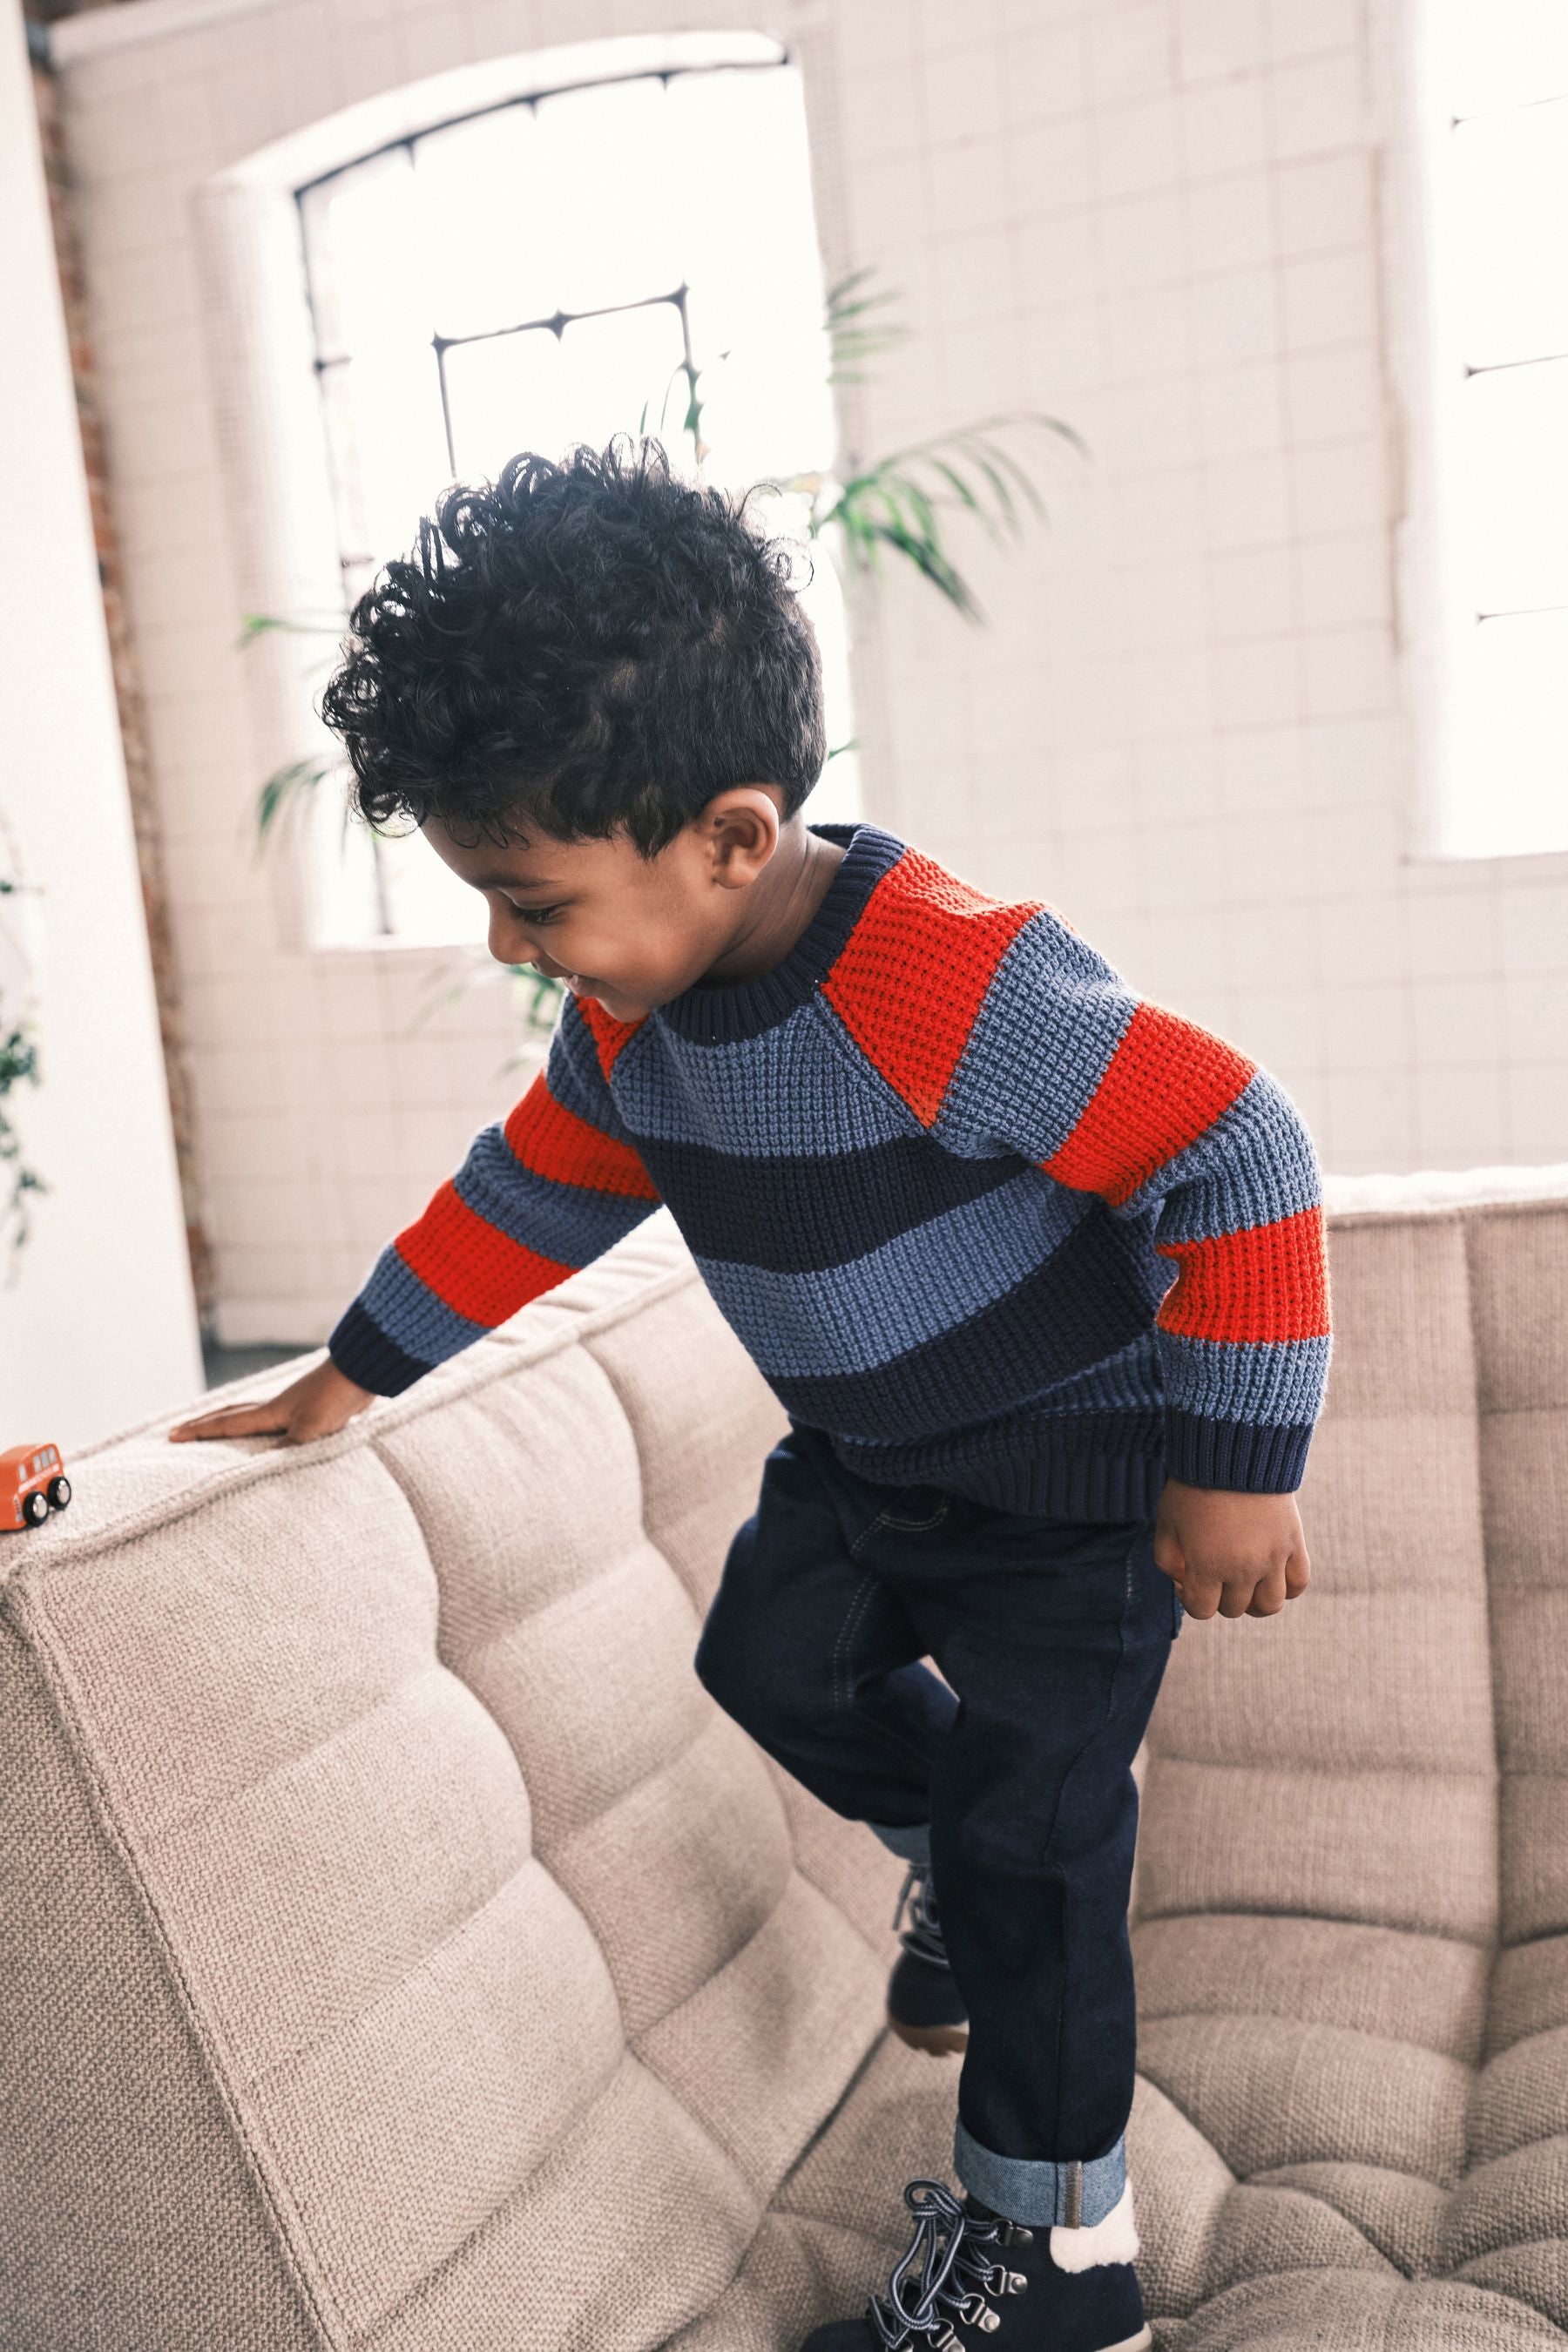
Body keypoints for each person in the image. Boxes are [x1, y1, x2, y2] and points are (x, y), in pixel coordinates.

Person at [171, 441, 1328, 2352]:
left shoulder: (948, 987)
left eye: (531, 902)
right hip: (870, 1467)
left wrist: (1234, 1467)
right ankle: (947, 1851)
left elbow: (1237, 1146)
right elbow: (535, 1182)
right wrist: (350, 1371)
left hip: (1070, 1502)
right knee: (769, 1667)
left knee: (1044, 1853)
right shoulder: (630, 1014)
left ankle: (1059, 2256)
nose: (508, 946)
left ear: (726, 833)